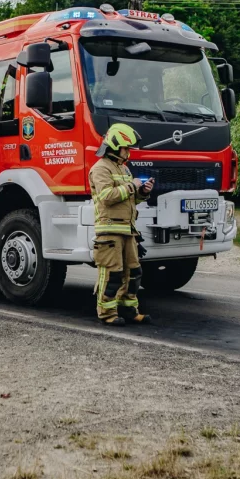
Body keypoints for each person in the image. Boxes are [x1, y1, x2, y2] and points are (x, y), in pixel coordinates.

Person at [89, 123, 155, 326]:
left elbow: (129, 200)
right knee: (112, 273)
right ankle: (107, 314)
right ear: (116, 146)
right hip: (110, 230)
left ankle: (129, 310)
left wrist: (143, 192)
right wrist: (131, 185)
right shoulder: (100, 168)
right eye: (127, 148)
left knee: (134, 272)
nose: (129, 152)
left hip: (128, 229)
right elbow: (107, 197)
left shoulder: (124, 169)